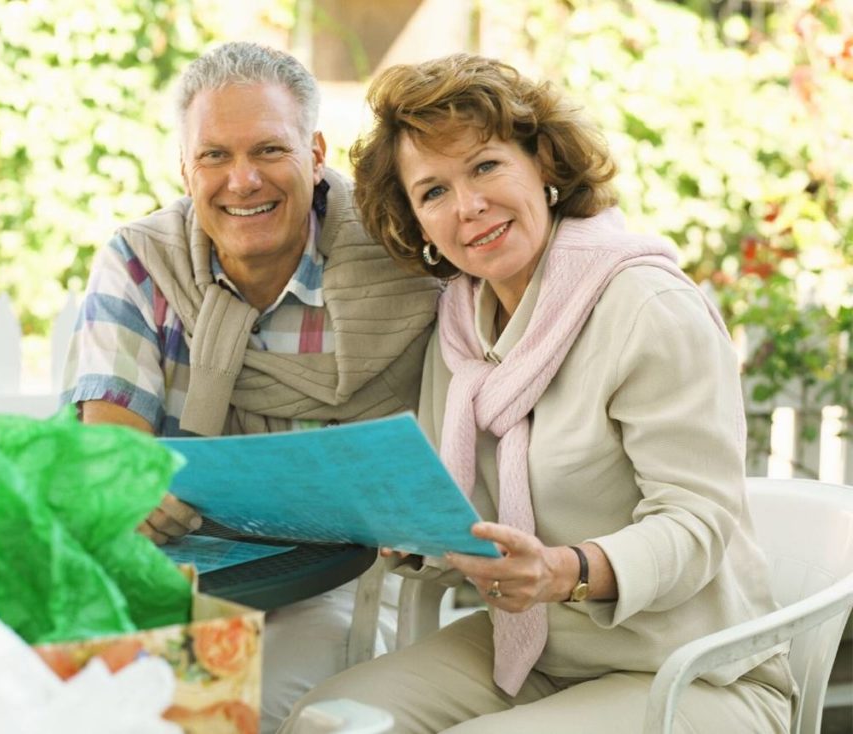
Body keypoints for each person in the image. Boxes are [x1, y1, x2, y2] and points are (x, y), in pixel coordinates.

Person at [279, 54, 795, 733]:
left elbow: (698, 524)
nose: (468, 206)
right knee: (328, 720)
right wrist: (406, 532)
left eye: (486, 166)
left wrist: (563, 571)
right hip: (535, 654)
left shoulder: (647, 307)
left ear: (544, 165)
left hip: (694, 670)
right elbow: (455, 505)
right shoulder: (462, 328)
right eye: (433, 191)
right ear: (417, 223)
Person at [61, 42, 440, 732]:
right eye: (214, 156)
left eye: (269, 150)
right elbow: (114, 460)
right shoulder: (141, 261)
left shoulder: (403, 260)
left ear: (315, 152)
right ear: (184, 168)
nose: (242, 181)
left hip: (351, 585)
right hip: (178, 579)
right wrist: (130, 487)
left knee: (215, 711)